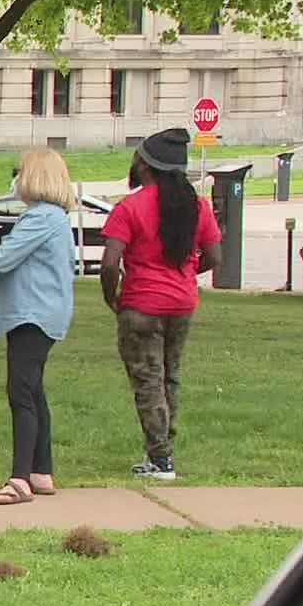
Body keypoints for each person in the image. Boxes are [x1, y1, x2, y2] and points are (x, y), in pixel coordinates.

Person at [100, 128, 223, 482]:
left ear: (147, 164)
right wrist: (185, 274)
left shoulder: (130, 207)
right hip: (182, 303)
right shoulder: (197, 206)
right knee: (171, 376)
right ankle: (162, 450)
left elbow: (110, 263)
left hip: (141, 304)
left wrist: (114, 296)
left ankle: (160, 459)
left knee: (148, 379)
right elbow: (215, 255)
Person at [0, 148, 78, 506]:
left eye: (21, 171)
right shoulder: (52, 218)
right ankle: (41, 470)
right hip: (43, 314)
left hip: (32, 315)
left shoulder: (40, 217)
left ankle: (19, 478)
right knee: (34, 391)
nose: (16, 178)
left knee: (21, 393)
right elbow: (16, 254)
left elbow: (6, 257)